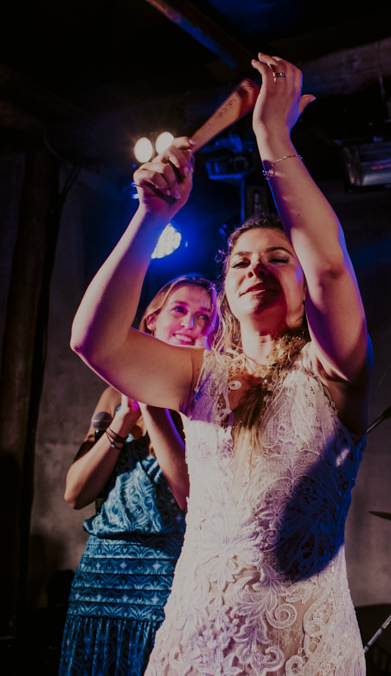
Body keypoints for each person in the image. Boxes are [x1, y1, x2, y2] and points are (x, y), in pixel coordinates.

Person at [71, 53, 372, 676]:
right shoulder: (195, 375)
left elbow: (333, 266)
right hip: (193, 643)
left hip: (302, 653)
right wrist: (151, 215)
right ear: (227, 293)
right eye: (239, 262)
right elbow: (94, 342)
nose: (256, 268)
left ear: (303, 283)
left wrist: (273, 139)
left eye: (278, 258)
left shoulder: (335, 370)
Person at [59, 274, 218, 676]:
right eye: (179, 310)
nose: (191, 323)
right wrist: (122, 420)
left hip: (163, 582)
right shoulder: (114, 394)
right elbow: (76, 494)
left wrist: (151, 403)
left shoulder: (209, 401)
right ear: (151, 320)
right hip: (100, 579)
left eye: (204, 317)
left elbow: (193, 498)